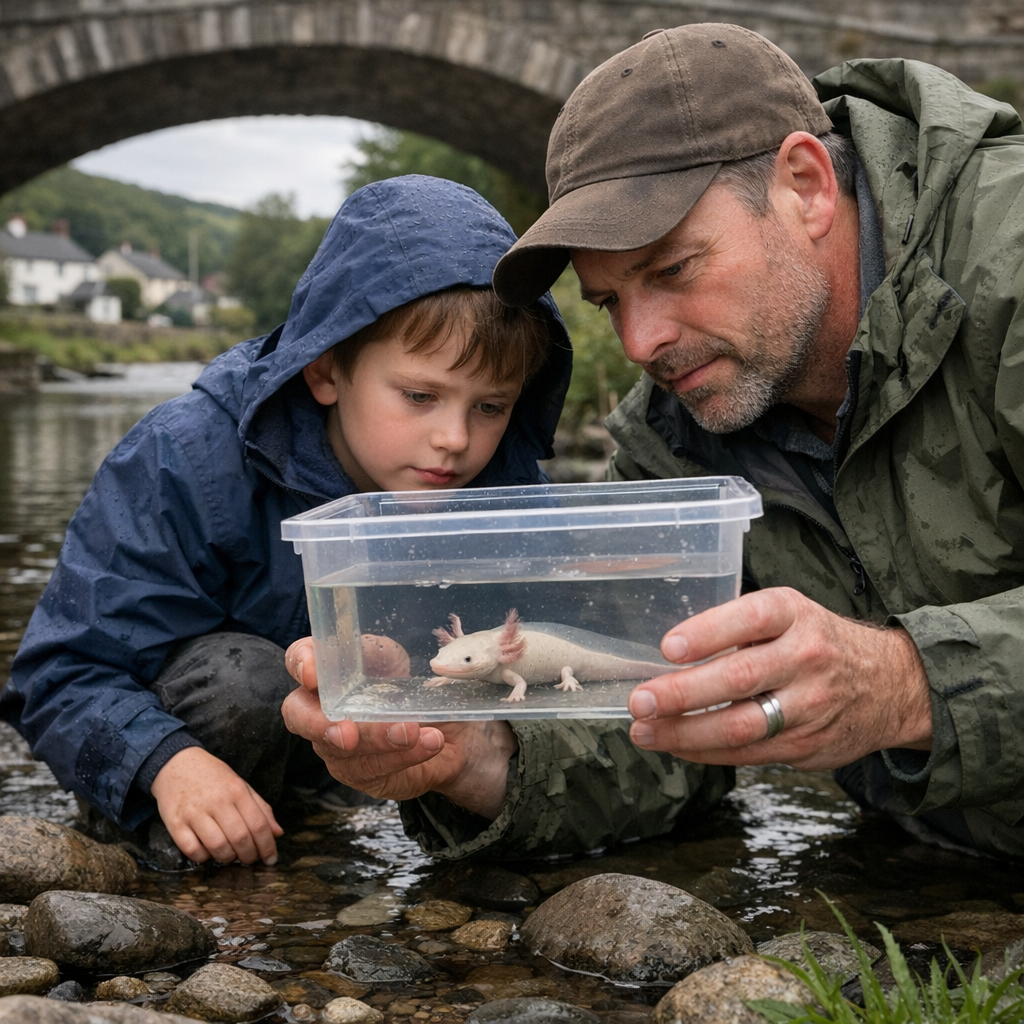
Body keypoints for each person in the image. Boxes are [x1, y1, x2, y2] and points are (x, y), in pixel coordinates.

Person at [282, 24, 1024, 860]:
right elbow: (665, 730)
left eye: (673, 270)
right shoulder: (674, 434)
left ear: (806, 187)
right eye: (607, 303)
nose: (640, 344)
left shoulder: (1010, 260)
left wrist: (907, 684)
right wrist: (476, 754)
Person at [0, 175, 573, 868]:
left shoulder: (505, 487)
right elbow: (59, 672)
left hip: (364, 769)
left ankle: (329, 834)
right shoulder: (185, 460)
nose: (455, 438)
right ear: (327, 372)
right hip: (185, 757)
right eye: (420, 396)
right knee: (249, 682)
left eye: (490, 406)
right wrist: (166, 763)